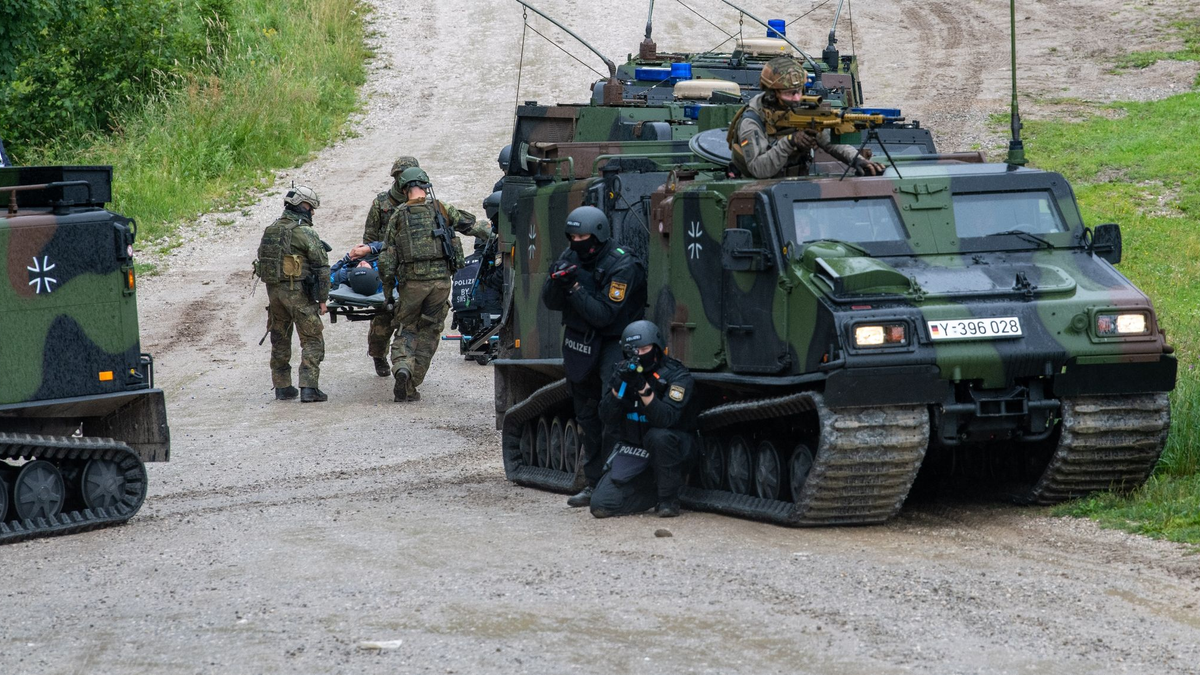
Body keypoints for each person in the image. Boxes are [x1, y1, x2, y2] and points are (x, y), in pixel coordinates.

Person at [541, 205, 647, 508]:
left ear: (598, 235)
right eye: (571, 236)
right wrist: (555, 280)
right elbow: (550, 303)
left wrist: (573, 287)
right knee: (586, 414)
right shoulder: (571, 255)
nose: (576, 242)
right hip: (578, 343)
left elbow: (603, 315)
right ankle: (592, 481)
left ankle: (613, 483)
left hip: (612, 343)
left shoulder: (622, 265)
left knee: (610, 411)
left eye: (582, 236)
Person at [378, 167, 494, 402]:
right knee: (430, 330)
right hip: (440, 285)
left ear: (403, 188)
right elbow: (472, 226)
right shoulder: (441, 208)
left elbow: (386, 259)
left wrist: (388, 292)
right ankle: (413, 383)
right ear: (425, 185)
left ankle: (402, 367)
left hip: (412, 284)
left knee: (406, 328)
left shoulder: (398, 215)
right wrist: (498, 233)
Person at [592, 320, 697, 518]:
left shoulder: (677, 375)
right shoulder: (624, 375)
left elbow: (665, 418)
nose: (639, 355)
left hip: (673, 450)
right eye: (634, 350)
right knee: (601, 505)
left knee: (659, 436)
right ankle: (653, 493)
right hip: (636, 450)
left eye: (644, 349)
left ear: (656, 348)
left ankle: (669, 499)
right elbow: (607, 417)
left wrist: (642, 387)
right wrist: (618, 388)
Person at [728, 56, 885, 179]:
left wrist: (857, 160)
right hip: (754, 193)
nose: (797, 98)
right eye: (790, 93)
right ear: (772, 94)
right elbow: (759, 169)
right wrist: (790, 141)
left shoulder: (799, 110)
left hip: (796, 184)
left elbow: (828, 141)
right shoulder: (752, 121)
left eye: (799, 91)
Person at [255, 185, 330, 403]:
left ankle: (282, 386)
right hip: (298, 294)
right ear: (302, 205)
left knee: (280, 338)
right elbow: (322, 268)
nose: (312, 212)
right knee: (312, 339)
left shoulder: (271, 229)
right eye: (311, 207)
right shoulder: (304, 231)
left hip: (274, 294)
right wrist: (323, 299)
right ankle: (309, 387)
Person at [363, 156, 420, 377]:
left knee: (411, 319)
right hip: (386, 266)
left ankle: (405, 361)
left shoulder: (419, 202)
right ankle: (378, 355)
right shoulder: (381, 204)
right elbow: (369, 238)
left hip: (412, 269)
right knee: (382, 317)